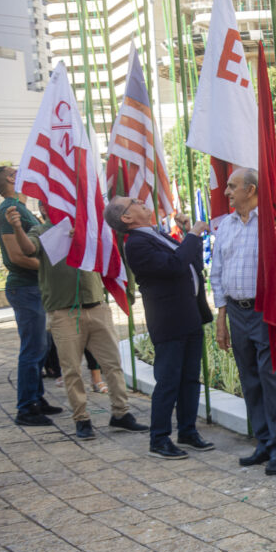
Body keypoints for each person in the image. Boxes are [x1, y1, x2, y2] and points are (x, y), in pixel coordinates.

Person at [5, 206, 149, 440]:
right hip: (64, 312)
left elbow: (108, 248)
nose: (49, 205)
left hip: (96, 306)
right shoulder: (41, 231)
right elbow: (28, 249)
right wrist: (17, 227)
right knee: (71, 369)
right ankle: (82, 419)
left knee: (112, 364)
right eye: (44, 202)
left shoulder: (86, 228)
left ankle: (121, 413)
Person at [106, 197, 215, 459]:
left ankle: (187, 431)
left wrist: (191, 237)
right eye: (133, 202)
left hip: (189, 314)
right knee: (168, 381)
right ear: (126, 218)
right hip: (169, 320)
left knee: (190, 378)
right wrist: (192, 234)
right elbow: (175, 266)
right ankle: (159, 438)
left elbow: (191, 264)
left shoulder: (157, 235)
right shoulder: (136, 243)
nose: (142, 201)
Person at [210, 168, 276, 476]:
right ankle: (265, 442)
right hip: (236, 311)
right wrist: (221, 317)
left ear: (251, 189)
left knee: (272, 379)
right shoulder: (226, 227)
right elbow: (217, 273)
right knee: (250, 379)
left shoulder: (275, 222)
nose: (227, 192)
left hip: (264, 310)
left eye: (233, 187)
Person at [0, 166, 61, 426]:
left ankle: (36, 398)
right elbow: (17, 257)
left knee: (41, 346)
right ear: (10, 180)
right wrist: (55, 270)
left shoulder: (21, 207)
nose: (23, 170)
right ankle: (26, 408)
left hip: (35, 287)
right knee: (33, 349)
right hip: (25, 287)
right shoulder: (10, 209)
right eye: (16, 170)